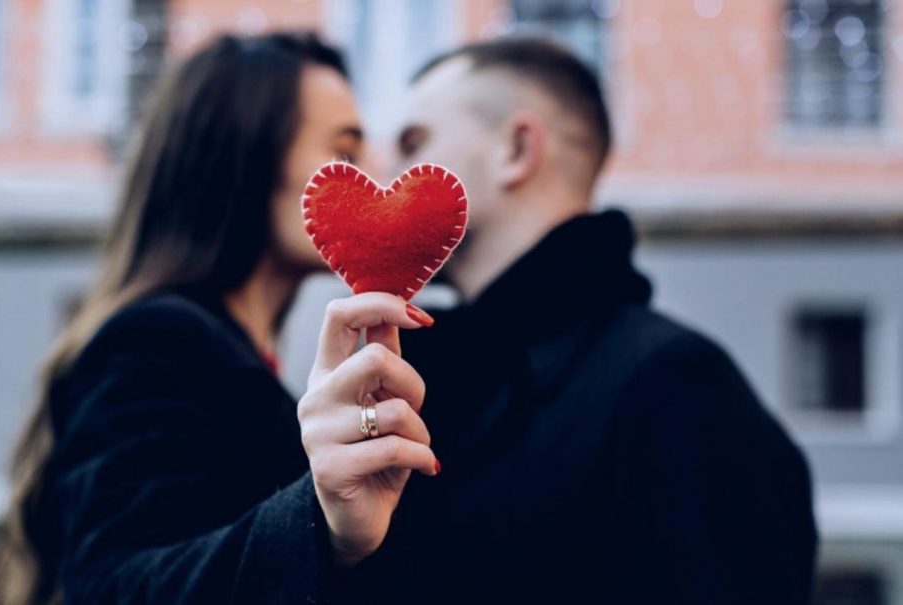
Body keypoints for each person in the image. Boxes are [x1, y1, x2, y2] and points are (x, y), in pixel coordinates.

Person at [332, 35, 818, 603]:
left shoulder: (675, 387)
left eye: (415, 143)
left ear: (516, 149)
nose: (391, 173)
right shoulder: (438, 373)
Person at [0, 32, 440, 604]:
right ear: (245, 159)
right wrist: (320, 524)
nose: (374, 173)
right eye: (345, 151)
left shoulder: (232, 350)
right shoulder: (151, 343)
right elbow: (114, 587)